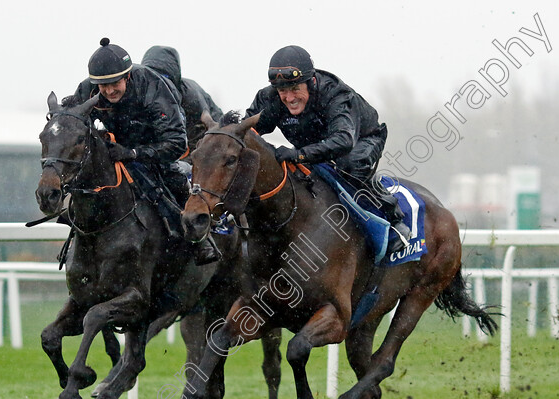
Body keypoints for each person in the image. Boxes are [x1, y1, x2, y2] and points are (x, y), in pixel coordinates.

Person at [65, 38, 219, 265]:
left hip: (155, 148)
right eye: (102, 86)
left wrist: (134, 153)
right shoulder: (87, 89)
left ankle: (198, 238)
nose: (108, 91)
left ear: (127, 76)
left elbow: (176, 143)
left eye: (114, 83)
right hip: (116, 148)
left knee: (173, 177)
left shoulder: (154, 87)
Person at [245, 45, 411, 253]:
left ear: (311, 82)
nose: (289, 98)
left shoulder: (335, 95)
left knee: (348, 165)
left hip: (361, 139)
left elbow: (343, 140)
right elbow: (247, 132)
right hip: (316, 143)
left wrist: (298, 154)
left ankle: (393, 218)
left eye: (295, 89)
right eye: (282, 91)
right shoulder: (269, 98)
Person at [141, 45, 224, 151]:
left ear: (175, 78)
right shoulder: (142, 95)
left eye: (164, 77)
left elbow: (201, 135)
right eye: (154, 76)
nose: (160, 83)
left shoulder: (191, 97)